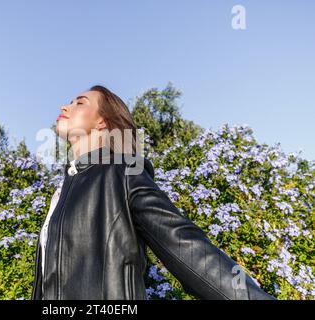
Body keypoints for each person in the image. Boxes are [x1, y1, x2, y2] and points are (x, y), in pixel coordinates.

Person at [31, 85, 276, 300]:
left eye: (80, 102)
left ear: (102, 121)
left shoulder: (123, 172)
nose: (66, 106)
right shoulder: (63, 189)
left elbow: (185, 246)